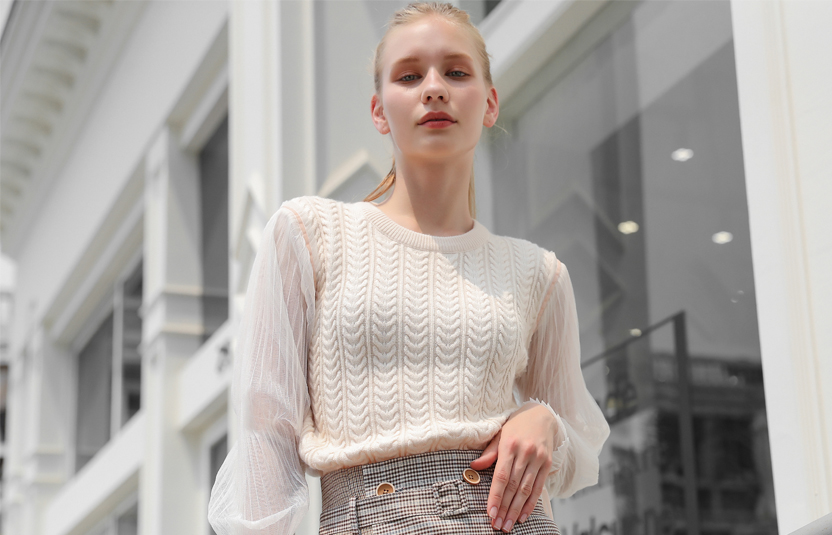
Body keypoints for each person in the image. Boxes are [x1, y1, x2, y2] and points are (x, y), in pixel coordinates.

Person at [207, 2, 609, 534]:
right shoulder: (309, 234)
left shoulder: (539, 273)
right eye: (410, 76)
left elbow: (581, 445)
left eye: (457, 72)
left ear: (490, 103)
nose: (434, 88)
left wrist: (546, 422)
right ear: (379, 112)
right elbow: (267, 431)